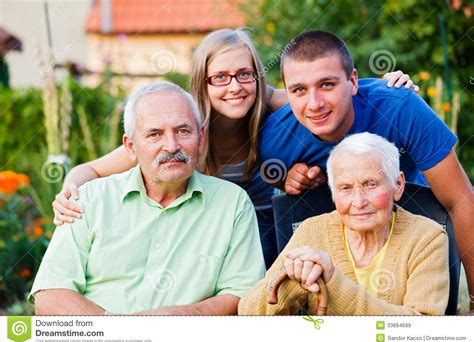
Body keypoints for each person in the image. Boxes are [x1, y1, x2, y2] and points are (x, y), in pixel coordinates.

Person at [50, 28, 417, 268]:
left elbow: (332, 89)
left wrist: (388, 85)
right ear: (202, 82)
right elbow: (93, 169)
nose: (235, 87)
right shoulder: (183, 128)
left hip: (272, 232)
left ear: (257, 76)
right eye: (220, 78)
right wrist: (70, 188)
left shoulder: (274, 104)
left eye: (245, 74)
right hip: (209, 235)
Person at [258, 30, 474, 312]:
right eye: (299, 90)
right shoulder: (275, 139)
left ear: (354, 81)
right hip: (340, 254)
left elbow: (461, 200)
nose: (314, 104)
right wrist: (287, 178)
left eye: (327, 84)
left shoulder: (401, 109)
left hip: (413, 246)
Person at [29, 82, 265, 315]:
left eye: (183, 131)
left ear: (201, 138)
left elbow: (241, 293)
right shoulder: (89, 199)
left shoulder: (232, 204)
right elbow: (51, 295)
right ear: (130, 146)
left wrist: (175, 319)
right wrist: (118, 334)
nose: (172, 146)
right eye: (155, 134)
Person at [239, 132, 449, 315]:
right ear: (333, 193)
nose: (358, 202)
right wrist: (294, 282)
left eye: (371, 184)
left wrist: (333, 281)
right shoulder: (312, 231)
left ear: (397, 185)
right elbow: (248, 312)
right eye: (345, 188)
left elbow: (421, 330)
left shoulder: (427, 237)